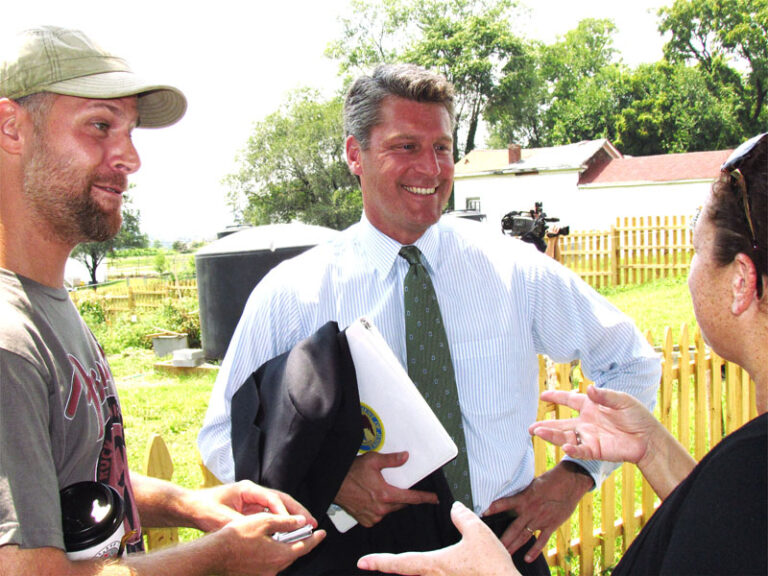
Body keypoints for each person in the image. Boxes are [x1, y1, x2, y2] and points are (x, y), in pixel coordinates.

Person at [198, 63, 660, 575]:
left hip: (501, 549)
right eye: (405, 147)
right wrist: (328, 484)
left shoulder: (513, 269)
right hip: (358, 557)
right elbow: (224, 436)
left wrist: (577, 474)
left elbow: (631, 362)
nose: (431, 169)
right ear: (356, 154)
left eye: (441, 148)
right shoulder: (294, 292)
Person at [357, 132, 768, 576]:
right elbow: (731, 533)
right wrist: (651, 447)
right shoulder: (745, 470)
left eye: (696, 249)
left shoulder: (746, 465)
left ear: (741, 281)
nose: (691, 271)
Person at [0, 25, 324, 576]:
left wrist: (189, 506)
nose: (129, 157)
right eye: (100, 126)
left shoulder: (47, 304)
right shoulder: (8, 340)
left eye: (129, 132)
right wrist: (219, 558)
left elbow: (76, 472)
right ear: (11, 128)